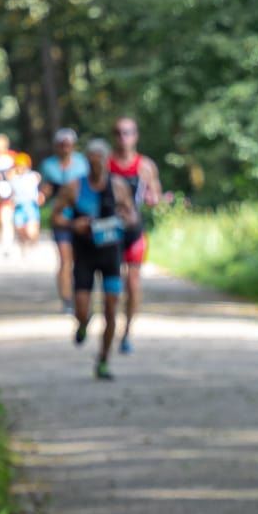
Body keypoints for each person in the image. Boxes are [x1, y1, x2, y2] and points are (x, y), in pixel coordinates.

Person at [52, 138, 132, 381]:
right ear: (87, 162)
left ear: (107, 161)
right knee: (82, 309)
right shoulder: (74, 187)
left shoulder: (118, 187)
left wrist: (123, 219)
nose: (96, 165)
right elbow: (55, 217)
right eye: (92, 160)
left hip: (110, 256)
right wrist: (73, 224)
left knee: (111, 310)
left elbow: (131, 216)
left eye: (100, 160)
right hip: (85, 255)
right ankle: (83, 323)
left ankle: (104, 360)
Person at [106, 116, 161, 357]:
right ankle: (110, 326)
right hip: (110, 232)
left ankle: (127, 332)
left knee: (133, 282)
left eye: (128, 132)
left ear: (135, 135)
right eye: (118, 132)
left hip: (135, 231)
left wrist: (152, 199)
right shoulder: (105, 164)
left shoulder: (145, 166)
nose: (123, 137)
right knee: (113, 286)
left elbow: (155, 195)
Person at [39, 128, 87, 313]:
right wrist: (44, 194)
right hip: (59, 217)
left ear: (73, 145)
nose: (65, 148)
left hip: (81, 216)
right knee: (65, 259)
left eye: (68, 144)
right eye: (61, 145)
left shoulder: (83, 163)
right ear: (56, 146)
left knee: (79, 259)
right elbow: (43, 190)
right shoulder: (48, 165)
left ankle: (80, 294)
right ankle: (66, 299)